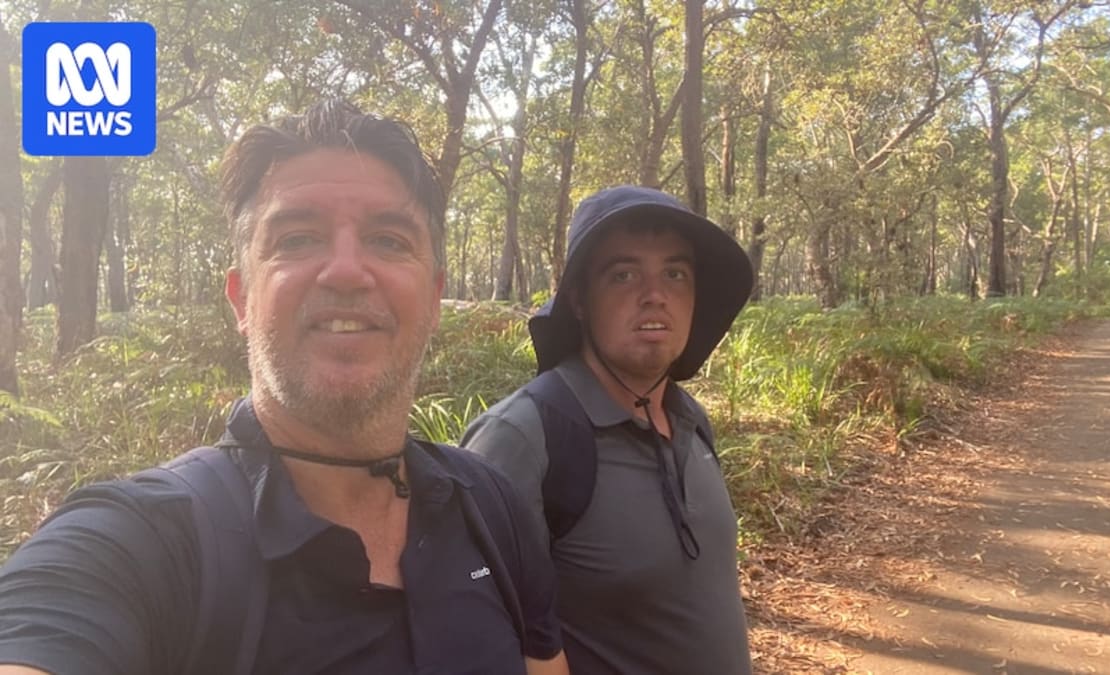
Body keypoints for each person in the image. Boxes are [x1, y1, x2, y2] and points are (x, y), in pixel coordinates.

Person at [0, 100, 567, 675]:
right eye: (297, 238)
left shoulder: (493, 509)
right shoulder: (140, 544)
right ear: (241, 298)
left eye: (390, 240)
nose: (346, 271)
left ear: (435, 296)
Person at [461, 185, 755, 674]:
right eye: (623, 275)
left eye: (675, 274)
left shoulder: (689, 419)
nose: (655, 295)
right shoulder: (524, 439)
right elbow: (475, 637)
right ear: (579, 299)